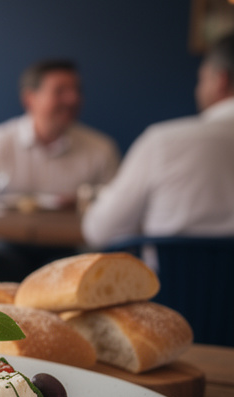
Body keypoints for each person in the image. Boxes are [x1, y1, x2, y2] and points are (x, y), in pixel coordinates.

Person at [81, 33, 234, 246]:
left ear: (221, 80)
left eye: (202, 79)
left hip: (171, 279)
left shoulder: (163, 142)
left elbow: (99, 229)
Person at [0, 59, 119, 206]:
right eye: (60, 91)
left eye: (77, 91)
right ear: (30, 98)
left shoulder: (101, 148)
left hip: (76, 243)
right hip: (4, 239)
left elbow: (117, 208)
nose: (73, 99)